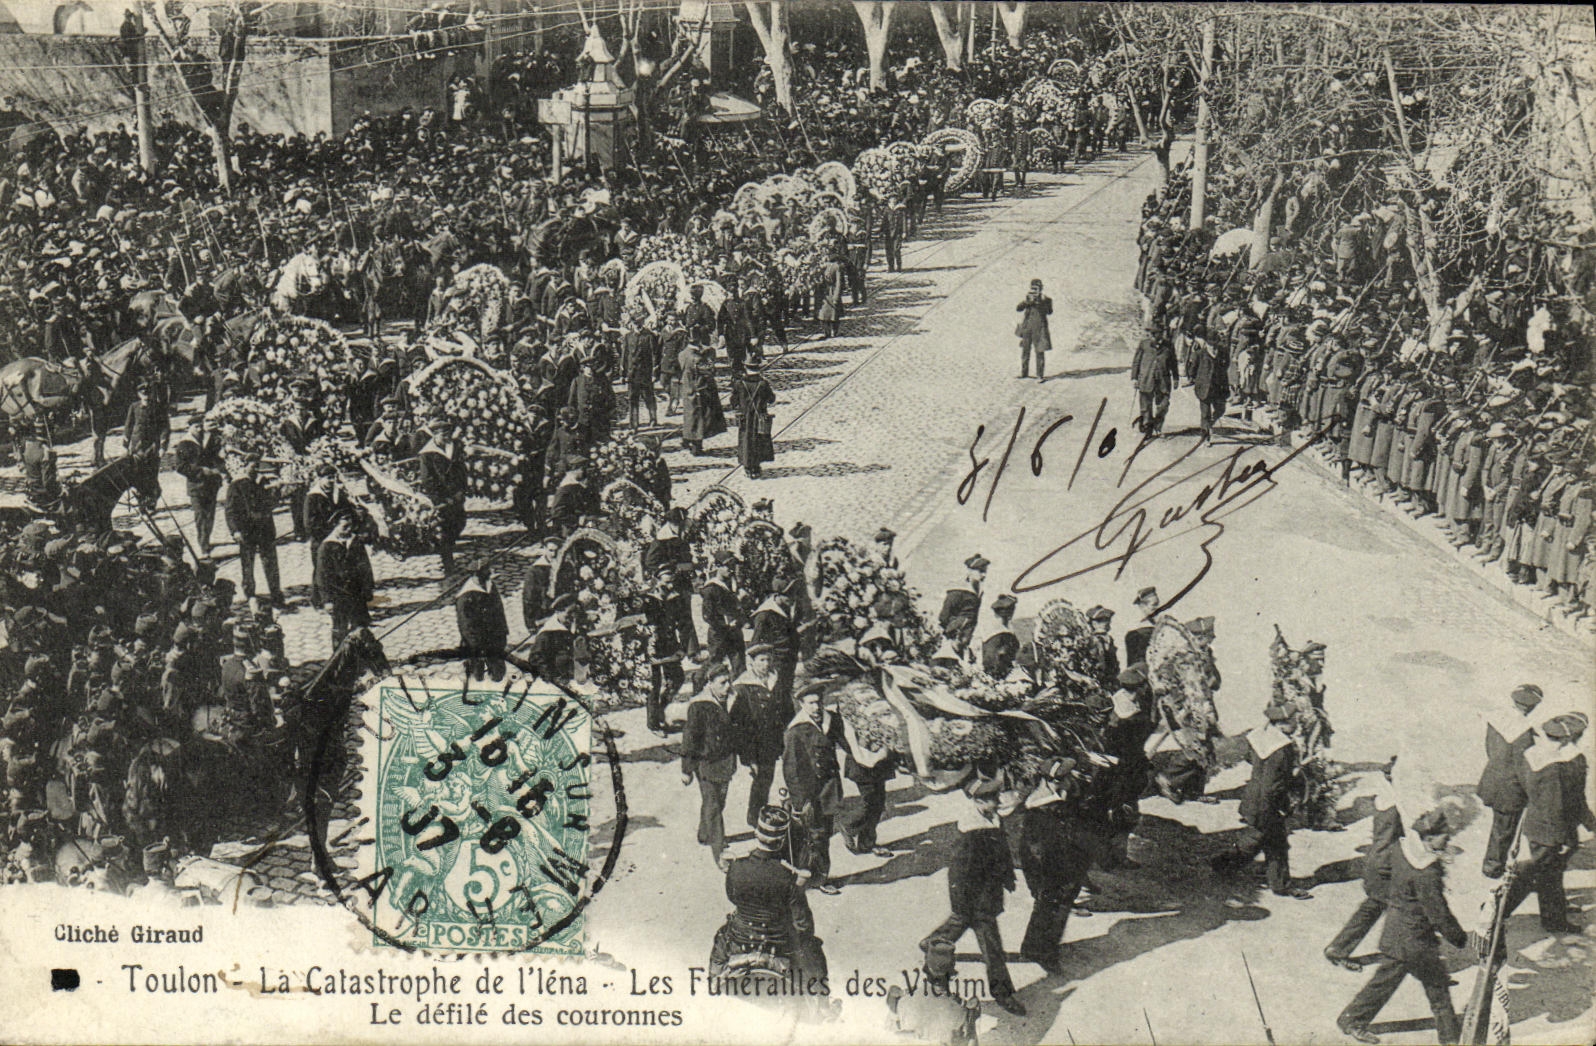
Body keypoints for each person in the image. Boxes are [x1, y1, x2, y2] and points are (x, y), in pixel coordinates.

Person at [1335, 808, 1467, 1046]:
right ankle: (1450, 1039)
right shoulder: (1427, 872)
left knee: (1393, 982)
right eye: (1443, 834)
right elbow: (1438, 913)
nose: (1448, 838)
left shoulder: (1401, 849)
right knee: (1434, 989)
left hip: (1397, 930)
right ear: (1428, 838)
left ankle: (1352, 1019)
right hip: (1415, 941)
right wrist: (1459, 938)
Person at [920, 775, 1025, 1017]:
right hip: (977, 900)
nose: (998, 802)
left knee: (959, 924)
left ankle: (932, 942)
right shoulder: (972, 833)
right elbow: (958, 873)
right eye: (992, 799)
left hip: (985, 895)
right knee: (992, 947)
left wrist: (1007, 877)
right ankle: (1003, 993)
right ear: (978, 802)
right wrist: (961, 903)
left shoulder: (989, 819)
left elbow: (1001, 853)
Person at [709, 805, 829, 1013]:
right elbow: (803, 924)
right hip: (778, 941)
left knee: (719, 948)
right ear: (781, 840)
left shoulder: (736, 867)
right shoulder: (789, 876)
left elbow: (733, 897)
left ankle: (713, 985)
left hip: (740, 938)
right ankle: (823, 1007)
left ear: (756, 833)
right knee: (814, 952)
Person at [1497, 711, 1594, 937]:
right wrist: (1571, 835)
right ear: (1569, 738)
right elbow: (1570, 802)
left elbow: (1522, 789)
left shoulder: (1529, 754)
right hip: (1556, 831)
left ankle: (1552, 915)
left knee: (1548, 874)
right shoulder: (1570, 763)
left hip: (1535, 826)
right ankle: (1501, 910)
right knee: (1542, 874)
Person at [1214, 704, 1312, 898]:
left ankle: (1223, 865)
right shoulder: (1281, 749)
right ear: (1282, 724)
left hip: (1254, 798)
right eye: (1293, 721)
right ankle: (1279, 885)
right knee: (1270, 842)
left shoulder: (1260, 736)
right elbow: (1272, 784)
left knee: (1263, 840)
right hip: (1268, 804)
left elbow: (1253, 761)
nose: (1296, 724)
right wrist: (1290, 780)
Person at [1018, 757, 1098, 975]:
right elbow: (1035, 850)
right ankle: (1043, 953)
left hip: (1067, 863)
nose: (1070, 779)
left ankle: (1033, 947)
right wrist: (1046, 877)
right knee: (1052, 909)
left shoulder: (1062, 794)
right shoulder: (1039, 809)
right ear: (1053, 781)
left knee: (1054, 908)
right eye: (1065, 776)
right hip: (1051, 870)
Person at [1325, 758, 1403, 971]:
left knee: (1374, 906)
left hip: (1376, 861)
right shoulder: (1398, 804)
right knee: (1406, 908)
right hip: (1388, 864)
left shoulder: (1385, 797)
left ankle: (1339, 948)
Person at [783, 682, 844, 893]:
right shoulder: (796, 731)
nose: (816, 707)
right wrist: (800, 802)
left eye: (819, 702)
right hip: (810, 793)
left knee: (823, 834)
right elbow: (791, 770)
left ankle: (811, 875)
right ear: (801, 704)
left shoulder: (829, 721)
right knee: (815, 837)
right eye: (810, 703)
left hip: (828, 789)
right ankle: (818, 879)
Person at [1477, 683, 1543, 879]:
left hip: (1492, 778)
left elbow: (1489, 749)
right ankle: (1493, 867)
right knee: (1504, 829)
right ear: (1531, 707)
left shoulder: (1496, 720)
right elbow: (1524, 765)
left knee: (1500, 825)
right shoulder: (1524, 732)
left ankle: (1493, 863)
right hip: (1511, 789)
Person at [681, 660, 737, 869]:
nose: (727, 686)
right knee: (714, 806)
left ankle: (705, 834)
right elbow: (690, 738)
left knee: (718, 802)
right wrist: (686, 769)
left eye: (728, 681)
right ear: (710, 683)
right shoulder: (699, 706)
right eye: (722, 683)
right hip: (706, 764)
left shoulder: (730, 700)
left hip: (725, 762)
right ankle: (720, 852)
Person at [729, 644, 786, 825]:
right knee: (761, 780)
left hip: (774, 741)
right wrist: (748, 755)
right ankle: (755, 818)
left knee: (767, 779)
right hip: (755, 743)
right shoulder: (743, 687)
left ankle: (759, 814)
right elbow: (739, 725)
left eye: (769, 659)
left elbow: (787, 709)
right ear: (752, 663)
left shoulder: (776, 681)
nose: (766, 664)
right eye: (761, 660)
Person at [885, 939, 981, 1045]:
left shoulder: (902, 1002)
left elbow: (889, 1035)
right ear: (952, 969)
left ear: (926, 966)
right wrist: (972, 1022)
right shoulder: (961, 1012)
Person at [224, 454, 285, 606]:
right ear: (244, 466)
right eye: (253, 466)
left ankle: (276, 593)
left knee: (271, 563)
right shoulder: (236, 485)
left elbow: (272, 504)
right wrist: (235, 531)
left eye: (258, 466)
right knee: (248, 564)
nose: (256, 470)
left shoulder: (262, 482)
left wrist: (277, 491)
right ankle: (250, 594)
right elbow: (230, 511)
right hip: (247, 531)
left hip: (265, 529)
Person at [317, 515, 374, 650]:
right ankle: (340, 659)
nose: (349, 530)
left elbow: (366, 567)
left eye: (351, 526)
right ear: (335, 526)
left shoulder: (356, 542)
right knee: (340, 629)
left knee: (360, 626)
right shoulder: (326, 547)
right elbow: (321, 576)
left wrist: (368, 588)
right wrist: (327, 600)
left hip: (356, 594)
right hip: (338, 596)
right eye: (344, 527)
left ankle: (361, 658)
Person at [171, 417, 225, 557]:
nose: (200, 429)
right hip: (196, 486)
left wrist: (219, 468)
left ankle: (205, 540)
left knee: (210, 515)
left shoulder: (206, 441)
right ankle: (204, 546)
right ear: (189, 428)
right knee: (201, 516)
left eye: (201, 426)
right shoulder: (184, 444)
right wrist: (201, 471)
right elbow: (180, 466)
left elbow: (216, 458)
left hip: (211, 485)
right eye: (196, 426)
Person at [418, 423, 469, 573]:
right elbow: (428, 480)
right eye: (443, 435)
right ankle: (448, 563)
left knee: (460, 522)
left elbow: (462, 470)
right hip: (442, 499)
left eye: (448, 434)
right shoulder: (427, 454)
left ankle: (448, 548)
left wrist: (461, 490)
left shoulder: (454, 448)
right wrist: (441, 499)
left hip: (456, 495)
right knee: (445, 529)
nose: (447, 438)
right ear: (434, 435)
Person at [454, 561, 509, 682]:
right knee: (477, 676)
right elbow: (466, 627)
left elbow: (499, 611)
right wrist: (477, 646)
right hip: (476, 644)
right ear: (475, 575)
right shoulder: (465, 597)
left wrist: (503, 633)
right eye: (486, 572)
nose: (490, 573)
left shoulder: (490, 586)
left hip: (495, 640)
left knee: (498, 674)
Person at [699, 550, 746, 676]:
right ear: (718, 567)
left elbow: (739, 610)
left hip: (734, 632)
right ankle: (699, 684)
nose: (730, 569)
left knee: (740, 666)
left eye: (732, 566)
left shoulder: (735, 586)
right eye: (727, 566)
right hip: (719, 634)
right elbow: (708, 615)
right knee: (714, 665)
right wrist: (725, 623)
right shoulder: (711, 588)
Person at [938, 554, 989, 656]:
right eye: (980, 571)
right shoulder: (958, 592)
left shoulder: (977, 593)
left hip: (966, 641)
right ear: (969, 571)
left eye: (985, 572)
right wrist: (953, 630)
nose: (984, 575)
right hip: (954, 640)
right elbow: (944, 616)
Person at [1131, 327, 1179, 436]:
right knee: (1145, 405)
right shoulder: (1144, 344)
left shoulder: (1169, 346)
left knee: (1163, 405)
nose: (1152, 336)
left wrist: (1176, 378)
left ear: (1161, 334)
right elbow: (1136, 362)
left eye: (1155, 334)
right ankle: (1147, 426)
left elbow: (1173, 363)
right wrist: (1134, 378)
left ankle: (1158, 426)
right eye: (1151, 334)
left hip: (1163, 380)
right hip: (1146, 379)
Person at [734, 364, 776, 479]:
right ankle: (756, 468)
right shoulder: (763, 384)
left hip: (745, 418)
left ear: (746, 369)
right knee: (759, 442)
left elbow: (733, 401)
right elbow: (772, 399)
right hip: (759, 418)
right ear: (758, 369)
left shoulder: (740, 384)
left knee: (746, 441)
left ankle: (747, 467)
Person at [621, 318, 658, 429]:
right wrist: (623, 373)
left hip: (645, 372)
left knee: (649, 397)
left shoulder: (648, 336)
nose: (636, 325)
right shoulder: (628, 336)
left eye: (638, 323)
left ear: (642, 323)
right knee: (633, 398)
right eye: (634, 323)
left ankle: (653, 418)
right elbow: (624, 355)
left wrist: (653, 373)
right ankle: (634, 424)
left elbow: (653, 355)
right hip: (632, 373)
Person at [1015, 278, 1053, 381]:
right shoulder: (1028, 298)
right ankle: (1024, 373)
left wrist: (1041, 302)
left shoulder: (1047, 300)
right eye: (1033, 288)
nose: (1034, 291)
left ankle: (1040, 375)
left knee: (1039, 352)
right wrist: (1028, 302)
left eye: (1036, 289)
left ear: (1041, 289)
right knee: (1025, 351)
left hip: (1040, 329)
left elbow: (1049, 312)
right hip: (1027, 328)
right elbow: (1018, 308)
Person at [980, 593, 1021, 679]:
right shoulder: (1002, 634)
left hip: (993, 673)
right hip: (1000, 674)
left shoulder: (992, 630)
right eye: (1011, 610)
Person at [1084, 606, 1119, 689]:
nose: (1106, 623)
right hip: (1098, 680)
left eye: (1107, 620)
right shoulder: (1092, 640)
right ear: (1094, 624)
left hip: (1111, 678)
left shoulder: (1109, 638)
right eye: (1101, 621)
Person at [1123, 586, 1160, 665]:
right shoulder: (1136, 633)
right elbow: (1134, 665)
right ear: (1142, 606)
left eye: (1158, 604)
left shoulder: (1158, 626)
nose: (1157, 608)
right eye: (1154, 605)